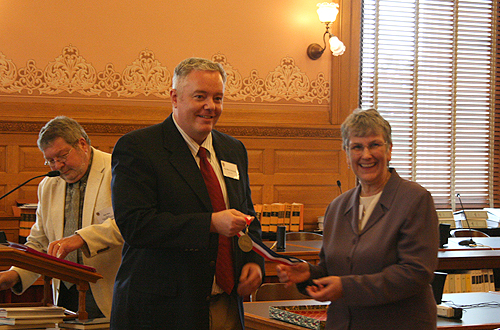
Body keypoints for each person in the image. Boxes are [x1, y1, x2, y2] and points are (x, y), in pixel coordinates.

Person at [110, 57, 265, 330]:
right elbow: (136, 225)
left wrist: (253, 261)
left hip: (225, 306)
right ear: (174, 97)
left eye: (217, 98)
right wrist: (211, 223)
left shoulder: (233, 150)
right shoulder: (139, 148)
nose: (210, 106)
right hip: (162, 311)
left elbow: (247, 215)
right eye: (199, 96)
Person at [277, 108, 439, 330]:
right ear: (346, 154)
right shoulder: (337, 207)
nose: (366, 155)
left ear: (389, 149)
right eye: (356, 147)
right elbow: (332, 269)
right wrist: (308, 274)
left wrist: (346, 287)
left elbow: (415, 273)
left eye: (374, 145)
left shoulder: (415, 199)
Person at [0, 116, 123, 319]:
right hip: (64, 290)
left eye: (62, 156)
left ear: (82, 144)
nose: (57, 166)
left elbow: (126, 224)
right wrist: (13, 276)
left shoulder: (117, 170)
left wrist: (81, 238)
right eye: (50, 160)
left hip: (107, 288)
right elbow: (39, 244)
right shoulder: (48, 186)